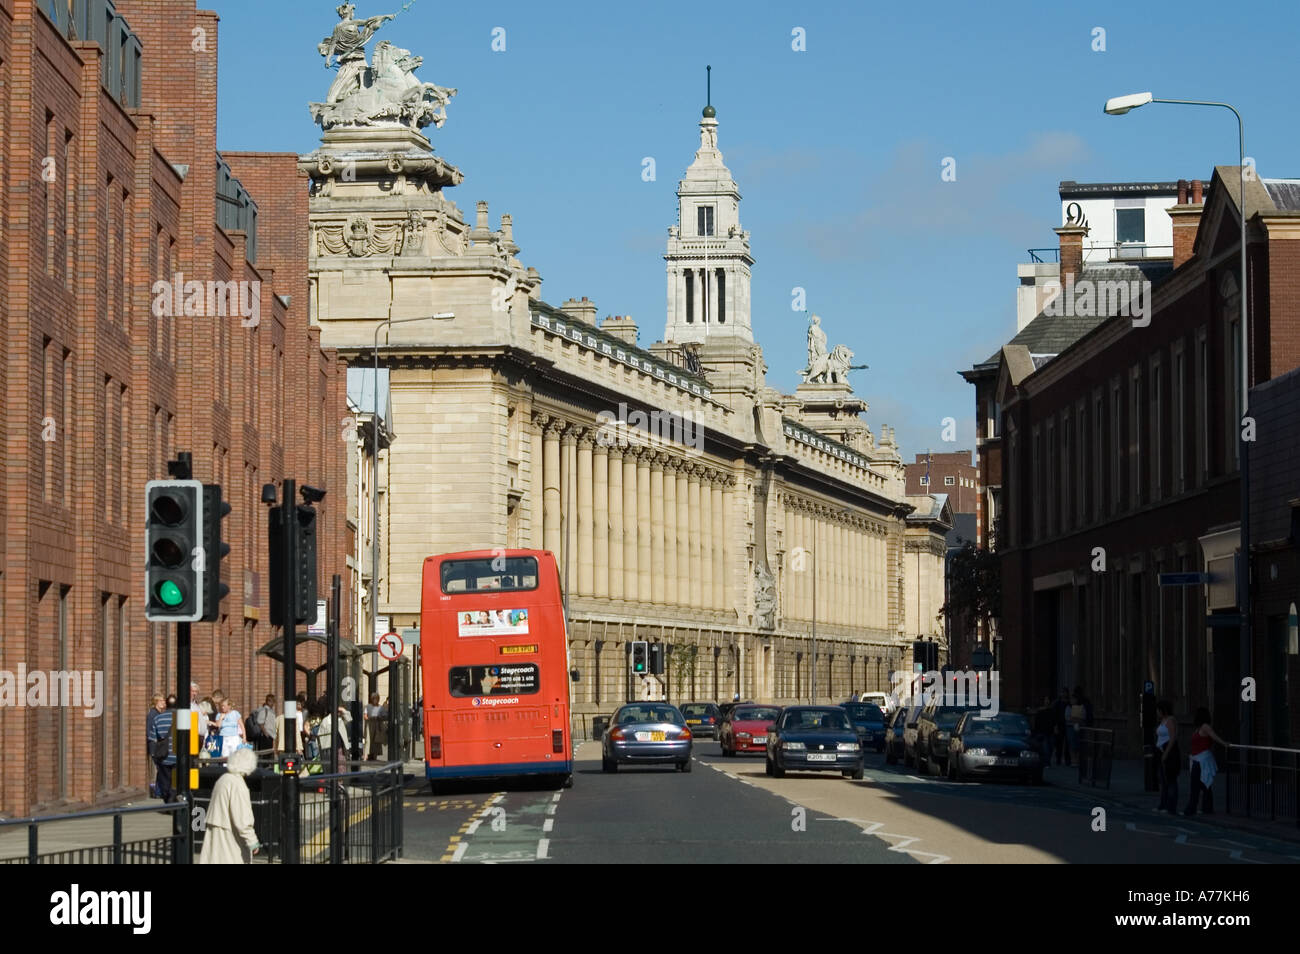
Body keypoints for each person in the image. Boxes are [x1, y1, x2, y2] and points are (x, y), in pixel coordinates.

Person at [198, 746, 261, 864]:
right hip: (230, 837)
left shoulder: (223, 779)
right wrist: (252, 841)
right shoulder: (238, 785)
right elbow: (242, 818)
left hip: (217, 831)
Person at [1184, 707, 1228, 816]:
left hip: (1202, 760)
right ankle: (1207, 808)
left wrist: (1225, 744)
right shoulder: (1199, 728)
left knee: (1197, 786)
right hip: (1197, 759)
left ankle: (1191, 809)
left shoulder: (1205, 727)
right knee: (1204, 785)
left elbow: (1214, 737)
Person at [147, 693, 175, 802]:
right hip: (178, 756)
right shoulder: (184, 718)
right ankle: (174, 800)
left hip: (164, 756)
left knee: (165, 781)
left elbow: (153, 738)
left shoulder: (158, 718)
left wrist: (154, 755)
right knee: (176, 781)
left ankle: (168, 800)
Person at [1155, 700, 1180, 814]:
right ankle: (1162, 805)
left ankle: (1171, 807)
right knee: (1163, 781)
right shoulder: (1162, 721)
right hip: (1161, 752)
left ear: (1163, 710)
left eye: (1158, 710)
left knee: (1170, 780)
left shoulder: (1170, 720)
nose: (1157, 712)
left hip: (1169, 754)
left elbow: (1173, 738)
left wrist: (1166, 753)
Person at [215, 693, 247, 759]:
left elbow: (242, 726)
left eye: (224, 706)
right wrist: (221, 718)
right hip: (223, 737)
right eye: (221, 706)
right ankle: (225, 768)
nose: (222, 707)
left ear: (229, 706)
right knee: (224, 756)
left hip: (234, 737)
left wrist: (244, 737)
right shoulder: (219, 715)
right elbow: (218, 726)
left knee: (235, 756)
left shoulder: (235, 713)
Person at [1032, 695, 1056, 766]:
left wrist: (1055, 728)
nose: (1047, 701)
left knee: (1051, 747)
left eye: (1048, 700)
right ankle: (1046, 763)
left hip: (1050, 731)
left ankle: (1047, 761)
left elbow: (1054, 721)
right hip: (1043, 732)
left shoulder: (1052, 710)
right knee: (1046, 748)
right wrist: (1036, 732)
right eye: (1045, 700)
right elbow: (1037, 722)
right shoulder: (1040, 711)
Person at [365, 693, 387, 761]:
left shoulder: (381, 707)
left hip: (378, 725)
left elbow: (384, 716)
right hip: (370, 724)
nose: (375, 700)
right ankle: (366, 755)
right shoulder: (368, 706)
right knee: (368, 740)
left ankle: (375, 755)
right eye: (374, 698)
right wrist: (369, 718)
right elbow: (365, 716)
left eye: (376, 699)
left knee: (376, 741)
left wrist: (379, 718)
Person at [1052, 688, 1071, 766]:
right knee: (1059, 743)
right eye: (1062, 692)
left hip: (1068, 724)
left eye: (1065, 692)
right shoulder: (1057, 703)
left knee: (1068, 743)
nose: (1063, 694)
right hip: (1059, 724)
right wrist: (1055, 726)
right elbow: (1054, 715)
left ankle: (1067, 760)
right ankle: (1058, 759)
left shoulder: (1069, 703)